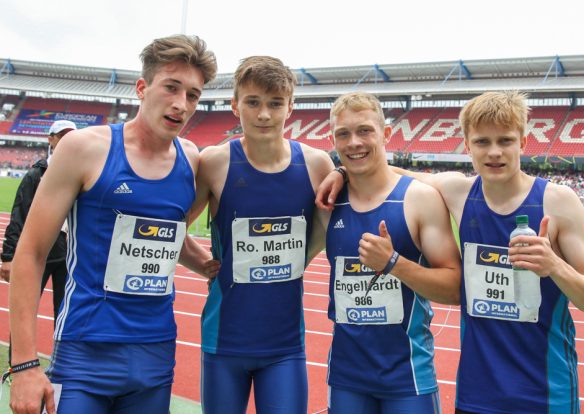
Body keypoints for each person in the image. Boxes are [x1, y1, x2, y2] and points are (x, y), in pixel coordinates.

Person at [317, 91, 584, 413]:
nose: (494, 152)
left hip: (545, 392)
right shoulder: (458, 191)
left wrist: (554, 265)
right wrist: (340, 171)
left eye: (505, 141)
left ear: (523, 143)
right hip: (475, 394)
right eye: (483, 142)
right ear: (467, 146)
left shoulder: (557, 202)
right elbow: (382, 170)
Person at [8, 34, 219, 414]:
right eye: (171, 87)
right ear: (142, 88)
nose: (181, 104)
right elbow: (32, 252)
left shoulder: (191, 159)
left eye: (193, 95)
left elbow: (170, 233)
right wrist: (24, 364)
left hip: (155, 354)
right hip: (85, 351)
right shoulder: (84, 149)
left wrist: (206, 265)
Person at [189, 56, 334, 414]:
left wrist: (299, 258)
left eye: (275, 103)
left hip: (284, 345)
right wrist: (199, 262)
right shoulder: (214, 162)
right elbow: (168, 226)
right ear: (235, 105)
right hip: (224, 340)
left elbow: (325, 230)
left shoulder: (316, 164)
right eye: (253, 102)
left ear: (291, 107)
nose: (264, 115)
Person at [312, 92, 461, 413]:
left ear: (386, 134)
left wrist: (394, 264)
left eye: (365, 130)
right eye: (343, 134)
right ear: (333, 140)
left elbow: (455, 287)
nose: (354, 142)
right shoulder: (327, 202)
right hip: (346, 377)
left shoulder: (420, 199)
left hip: (407, 377)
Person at [1, 120, 75, 372]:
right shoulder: (36, 174)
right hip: (36, 255)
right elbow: (18, 213)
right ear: (50, 139)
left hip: (68, 256)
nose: (66, 139)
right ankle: (17, 366)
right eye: (61, 135)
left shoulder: (81, 172)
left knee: (66, 314)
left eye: (70, 135)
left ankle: (63, 366)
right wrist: (8, 256)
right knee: (25, 311)